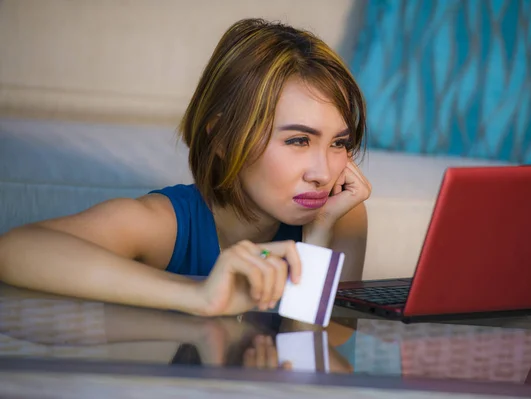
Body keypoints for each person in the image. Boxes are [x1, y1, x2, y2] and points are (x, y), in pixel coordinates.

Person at [0, 18, 371, 317]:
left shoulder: (339, 216)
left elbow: (315, 357)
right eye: (297, 141)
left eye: (338, 143)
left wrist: (319, 238)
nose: (323, 173)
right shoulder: (167, 223)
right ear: (223, 138)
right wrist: (199, 294)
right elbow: (14, 250)